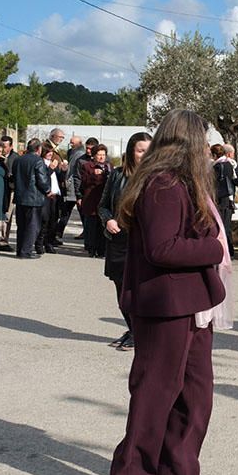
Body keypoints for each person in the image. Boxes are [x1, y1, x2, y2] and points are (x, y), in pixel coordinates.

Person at [108, 109, 224, 475]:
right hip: (165, 304)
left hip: (190, 303)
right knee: (155, 389)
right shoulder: (162, 184)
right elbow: (162, 248)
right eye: (203, 140)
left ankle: (177, 466)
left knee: (196, 390)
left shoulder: (180, 183)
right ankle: (130, 473)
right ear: (189, 142)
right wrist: (213, 247)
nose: (207, 149)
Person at [99, 132, 152, 351]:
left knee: (138, 292)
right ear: (131, 152)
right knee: (121, 291)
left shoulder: (155, 177)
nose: (145, 155)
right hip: (118, 241)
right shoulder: (117, 175)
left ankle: (141, 334)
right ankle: (133, 329)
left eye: (149, 151)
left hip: (142, 243)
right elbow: (102, 205)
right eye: (140, 151)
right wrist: (108, 219)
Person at [11, 139, 51, 259]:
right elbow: (42, 179)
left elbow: (14, 176)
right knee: (33, 226)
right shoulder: (38, 161)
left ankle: (20, 249)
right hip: (34, 197)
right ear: (38, 149)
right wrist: (48, 190)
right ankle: (26, 251)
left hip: (20, 197)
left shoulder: (18, 160)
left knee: (21, 225)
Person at [212, 144, 238, 258]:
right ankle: (229, 251)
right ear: (228, 154)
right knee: (226, 226)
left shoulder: (213, 166)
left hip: (215, 199)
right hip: (227, 199)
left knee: (218, 225)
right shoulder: (231, 165)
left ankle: (219, 250)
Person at [80, 144, 112, 258]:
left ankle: (102, 250)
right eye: (99, 155)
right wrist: (94, 175)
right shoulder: (87, 166)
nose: (102, 157)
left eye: (103, 155)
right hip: (92, 200)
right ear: (94, 156)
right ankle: (91, 248)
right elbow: (83, 182)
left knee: (102, 226)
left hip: (104, 200)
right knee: (92, 226)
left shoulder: (109, 166)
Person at [36, 147, 63, 254]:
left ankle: (49, 243)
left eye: (51, 152)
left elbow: (59, 178)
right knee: (44, 220)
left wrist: (63, 170)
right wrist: (50, 168)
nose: (50, 154)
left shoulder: (53, 163)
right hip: (46, 195)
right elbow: (42, 178)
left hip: (55, 195)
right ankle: (40, 243)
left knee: (54, 220)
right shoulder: (40, 163)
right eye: (48, 152)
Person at [57, 135, 84, 241]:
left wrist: (67, 181)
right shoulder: (72, 153)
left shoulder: (79, 154)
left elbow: (73, 171)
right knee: (68, 211)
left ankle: (58, 232)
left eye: (73, 143)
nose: (71, 144)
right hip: (72, 186)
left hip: (73, 187)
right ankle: (59, 231)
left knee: (67, 211)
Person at [73, 137, 99, 241]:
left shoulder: (104, 160)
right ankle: (87, 236)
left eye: (90, 148)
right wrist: (78, 196)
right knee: (86, 217)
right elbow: (77, 178)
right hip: (85, 194)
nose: (88, 151)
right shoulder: (81, 161)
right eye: (86, 148)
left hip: (98, 194)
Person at [0, 135, 19, 252]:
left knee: (7, 216)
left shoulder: (16, 158)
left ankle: (3, 241)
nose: (2, 149)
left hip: (10, 190)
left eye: (4, 146)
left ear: (10, 147)